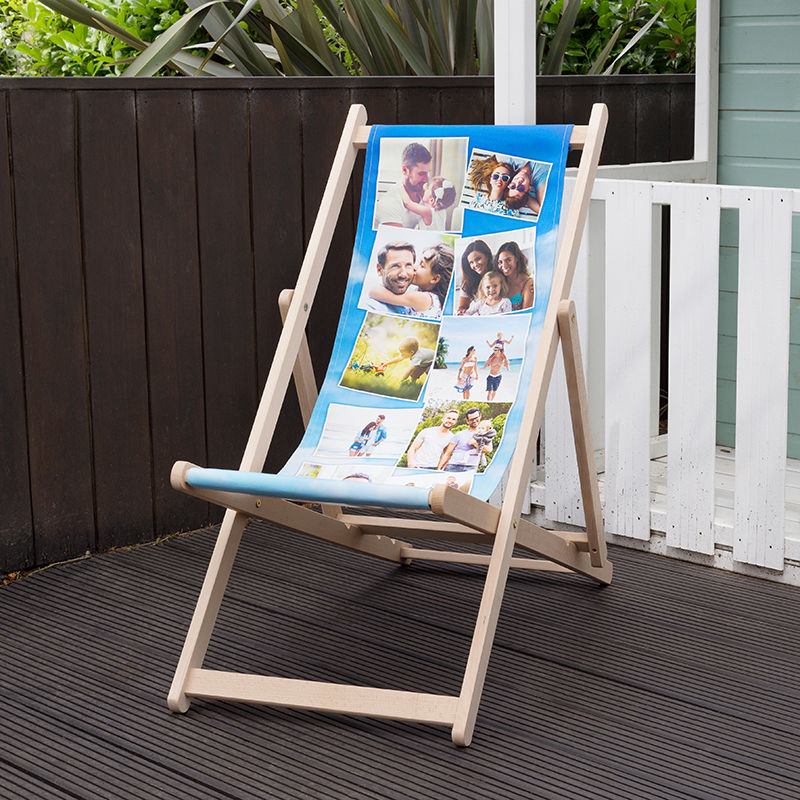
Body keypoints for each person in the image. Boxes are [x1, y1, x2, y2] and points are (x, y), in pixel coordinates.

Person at [368, 243, 453, 320]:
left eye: (422, 266)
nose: (414, 267)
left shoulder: (425, 299)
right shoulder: (419, 292)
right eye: (418, 262)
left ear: (434, 279)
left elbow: (374, 292)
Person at [374, 142, 432, 229]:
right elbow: (396, 242)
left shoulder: (426, 197)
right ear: (405, 170)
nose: (426, 179)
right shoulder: (390, 203)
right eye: (421, 174)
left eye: (427, 173)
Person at [364, 241, 416, 316]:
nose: (403, 274)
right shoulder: (372, 308)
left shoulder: (418, 296)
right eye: (395, 266)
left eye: (408, 265)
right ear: (379, 270)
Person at [438, 407, 493, 472]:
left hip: (471, 467)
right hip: (453, 465)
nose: (474, 420)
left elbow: (488, 450)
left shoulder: (485, 435)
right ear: (467, 421)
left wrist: (475, 443)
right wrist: (439, 469)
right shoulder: (459, 434)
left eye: (476, 418)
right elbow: (448, 453)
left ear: (480, 417)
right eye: (472, 419)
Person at [457, 239, 493, 315]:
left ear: (487, 256)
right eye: (471, 262)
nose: (475, 264)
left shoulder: (498, 276)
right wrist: (461, 312)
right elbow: (462, 307)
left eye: (478, 259)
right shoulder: (468, 283)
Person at [494, 241, 534, 310]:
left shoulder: (528, 283)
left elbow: (526, 313)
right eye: (500, 262)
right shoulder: (498, 282)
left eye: (508, 260)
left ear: (517, 259)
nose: (504, 265)